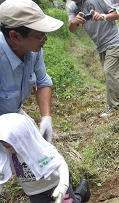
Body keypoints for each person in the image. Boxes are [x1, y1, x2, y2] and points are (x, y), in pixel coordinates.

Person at [0, 113, 91, 203]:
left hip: (54, 185)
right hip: (34, 192)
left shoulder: (41, 148)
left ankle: (82, 189)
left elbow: (61, 164)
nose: (12, 149)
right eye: (7, 146)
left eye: (14, 144)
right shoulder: (7, 156)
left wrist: (63, 185)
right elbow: (1, 175)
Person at [0, 0, 63, 143]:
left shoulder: (33, 50)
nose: (45, 39)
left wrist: (46, 117)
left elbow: (42, 82)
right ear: (15, 36)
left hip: (14, 113)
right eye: (40, 35)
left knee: (39, 147)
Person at [67, 0, 119, 117]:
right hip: (100, 45)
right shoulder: (72, 8)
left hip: (114, 40)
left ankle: (114, 106)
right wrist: (74, 22)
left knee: (109, 72)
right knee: (113, 73)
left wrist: (102, 16)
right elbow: (72, 29)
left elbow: (115, 15)